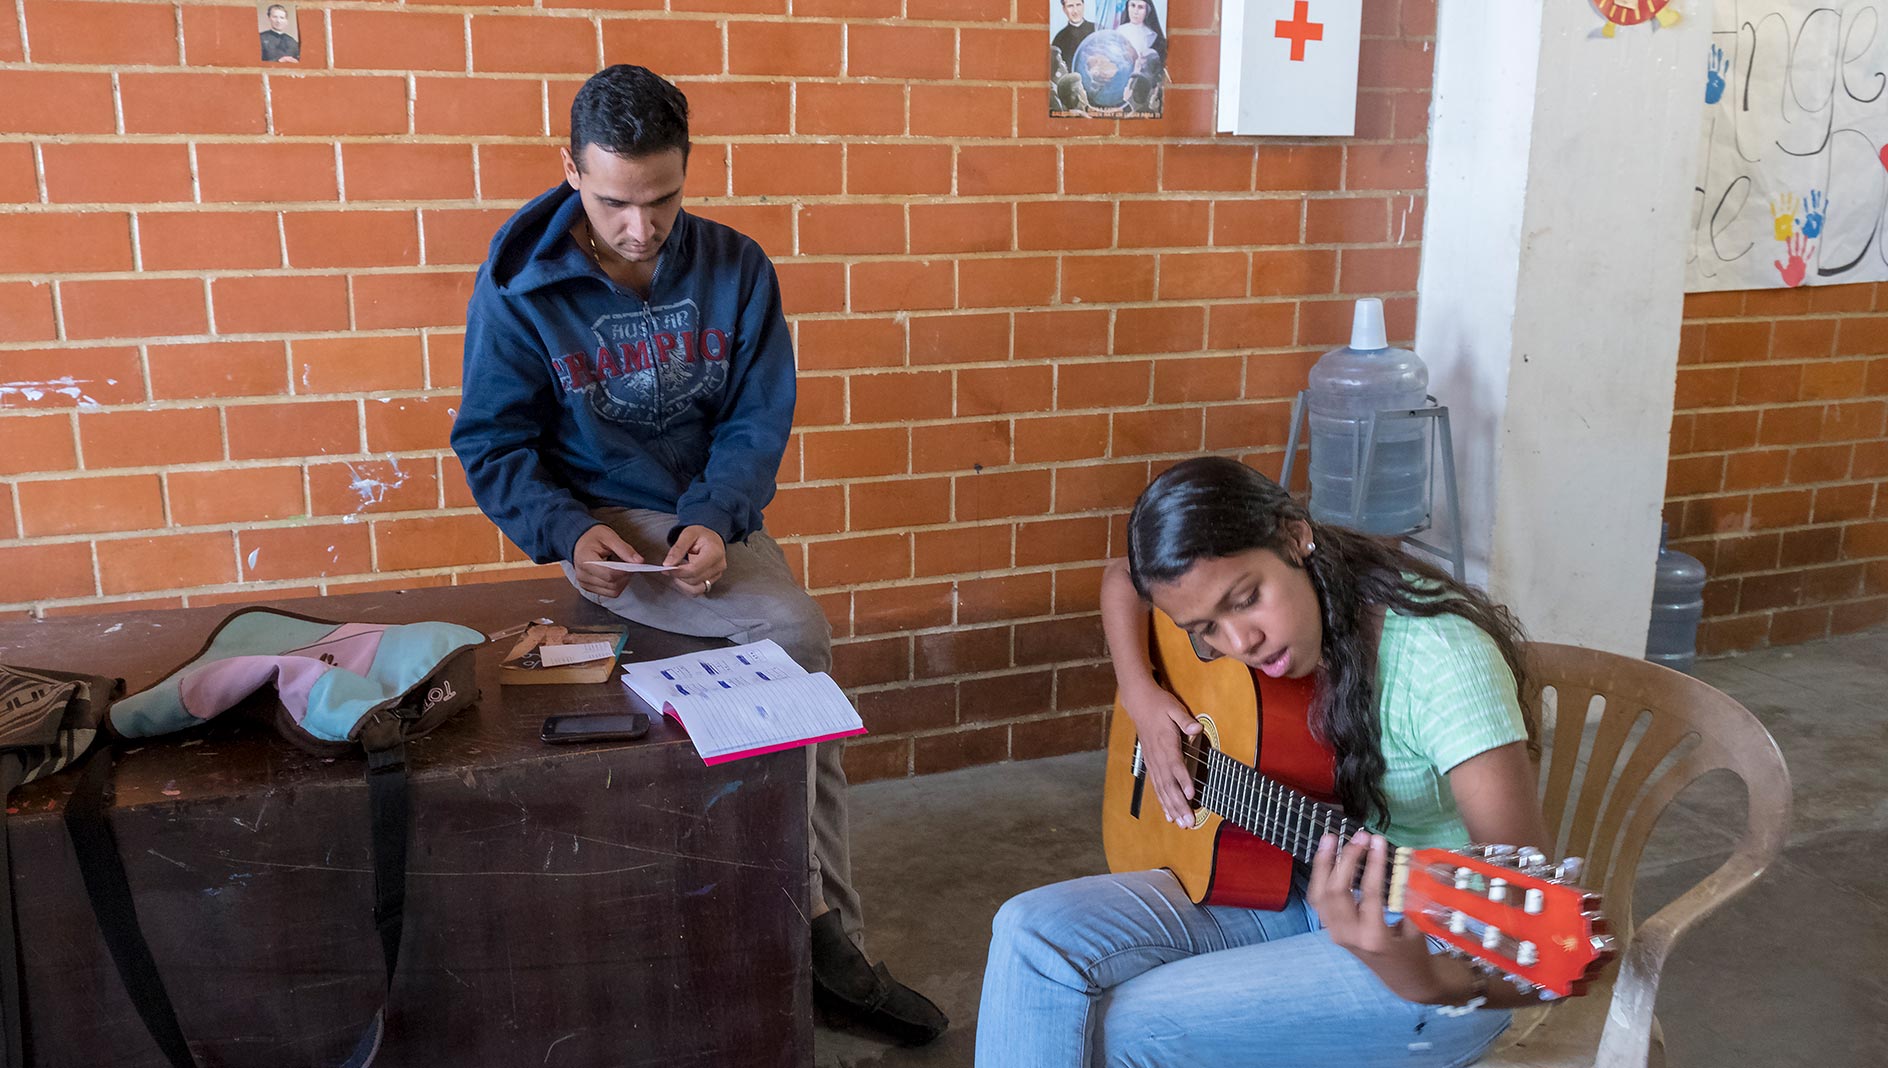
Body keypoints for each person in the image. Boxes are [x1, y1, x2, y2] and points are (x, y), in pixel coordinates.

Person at [450, 64, 947, 1047]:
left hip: (710, 516)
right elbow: (493, 443)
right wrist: (565, 533)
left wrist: (717, 519)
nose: (641, 228)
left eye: (664, 199)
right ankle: (822, 940)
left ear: (688, 169)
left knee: (795, 692)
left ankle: (812, 937)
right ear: (570, 170)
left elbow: (756, 421)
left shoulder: (735, 266)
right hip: (605, 523)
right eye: (614, 203)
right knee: (795, 635)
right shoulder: (517, 286)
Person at [975, 456, 1549, 1067]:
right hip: (1300, 877)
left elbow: (1533, 942)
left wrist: (1426, 979)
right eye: (1205, 629)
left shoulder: (1441, 661)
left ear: (1295, 536)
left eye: (1246, 599)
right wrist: (1141, 695)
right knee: (1028, 932)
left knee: (1126, 1027)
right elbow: (1125, 577)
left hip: (1430, 943)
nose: (1240, 643)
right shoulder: (1274, 627)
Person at [1052, 0, 1096, 70]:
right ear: (1064, 9)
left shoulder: (1097, 30)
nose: (1075, 11)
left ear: (1083, 6)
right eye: (1070, 6)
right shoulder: (1059, 38)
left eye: (1078, 5)